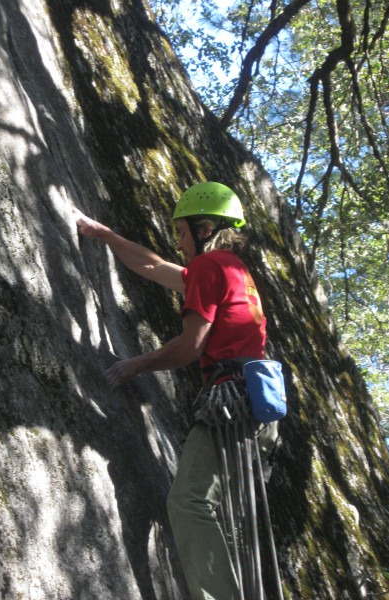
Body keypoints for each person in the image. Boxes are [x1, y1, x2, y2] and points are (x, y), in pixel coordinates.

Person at [73, 182, 275, 600]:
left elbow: (190, 346)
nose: (180, 243)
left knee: (189, 504)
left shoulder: (210, 266)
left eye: (182, 233)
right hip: (258, 408)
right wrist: (107, 235)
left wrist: (136, 364)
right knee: (233, 521)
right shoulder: (232, 270)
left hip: (231, 403)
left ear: (204, 228)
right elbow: (154, 268)